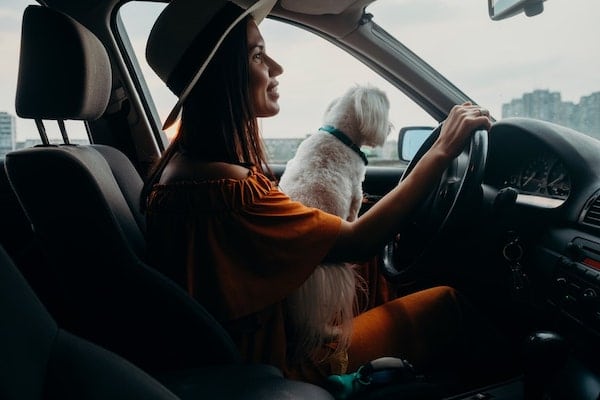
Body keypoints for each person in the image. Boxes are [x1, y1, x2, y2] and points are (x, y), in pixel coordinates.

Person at [142, 0, 513, 392]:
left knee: (383, 276)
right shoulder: (228, 191)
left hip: (251, 346)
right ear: (221, 77)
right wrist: (441, 151)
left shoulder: (184, 171)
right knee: (446, 304)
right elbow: (358, 240)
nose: (276, 68)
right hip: (279, 362)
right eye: (257, 55)